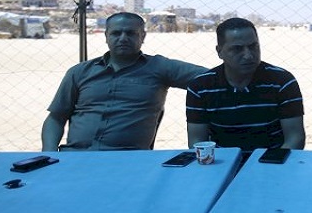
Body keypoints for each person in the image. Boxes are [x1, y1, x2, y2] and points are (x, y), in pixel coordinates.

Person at [41, 12, 206, 151]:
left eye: (131, 33)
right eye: (116, 33)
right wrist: (50, 153)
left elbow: (211, 78)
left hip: (128, 158)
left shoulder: (159, 67)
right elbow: (56, 117)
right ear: (106, 36)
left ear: (143, 36)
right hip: (75, 155)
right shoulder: (80, 72)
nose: (123, 38)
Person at [186, 18, 305, 157]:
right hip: (221, 162)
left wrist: (268, 164)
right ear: (219, 52)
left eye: (253, 46)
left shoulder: (282, 82)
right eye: (237, 49)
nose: (248, 55)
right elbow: (197, 142)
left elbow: (295, 138)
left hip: (272, 162)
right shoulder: (200, 87)